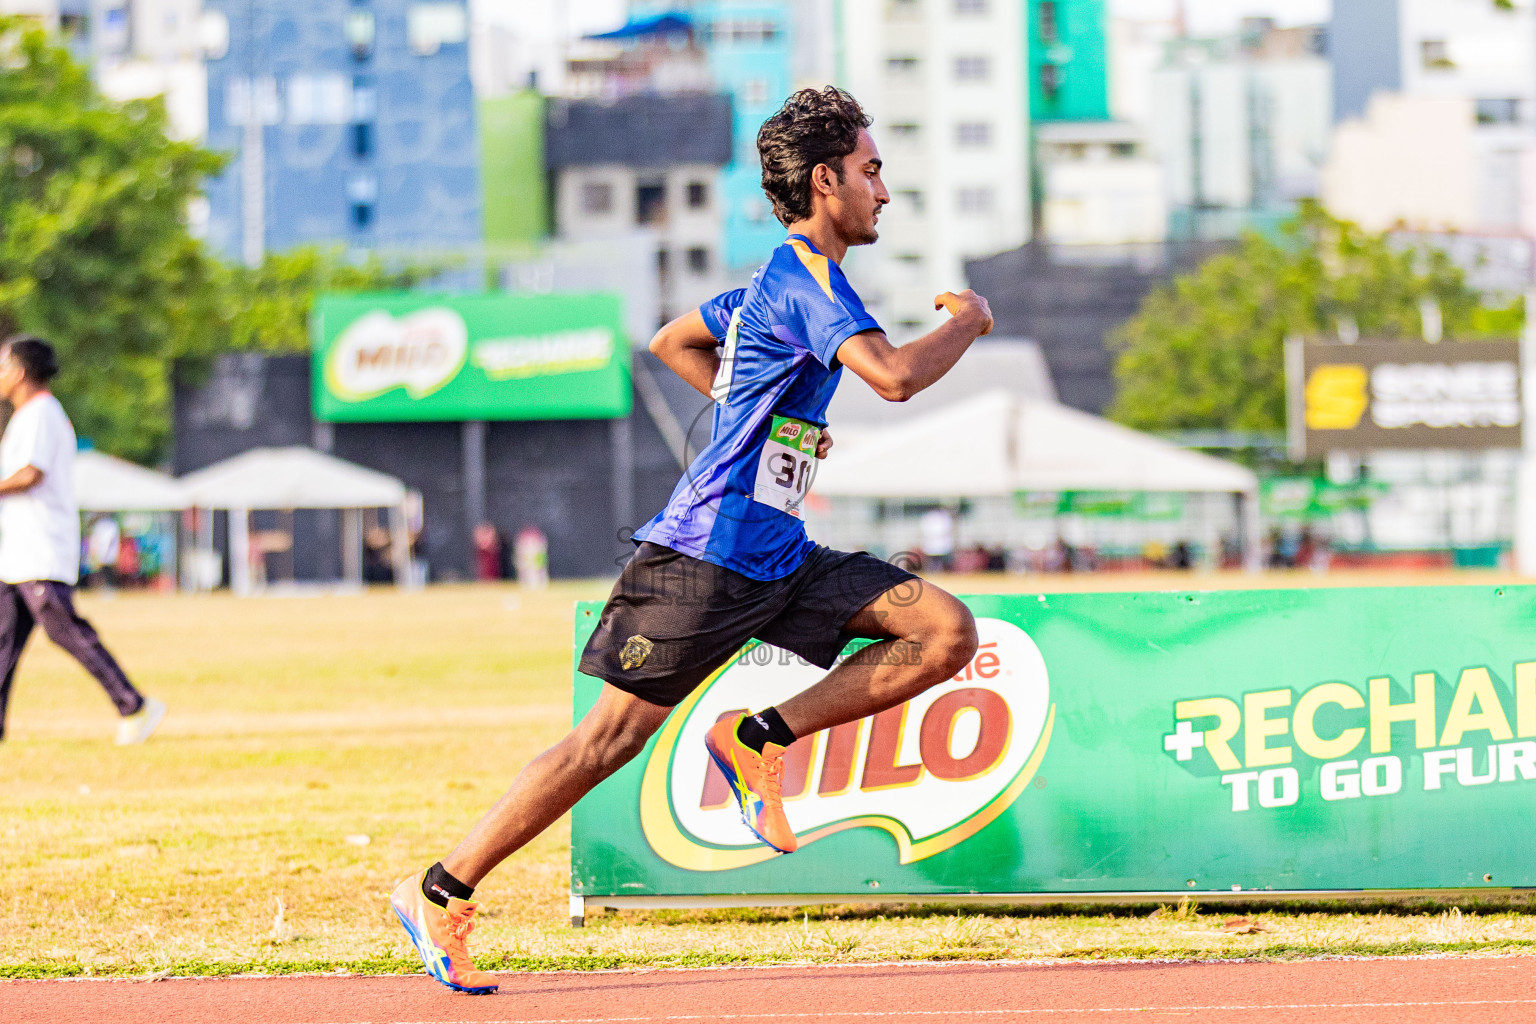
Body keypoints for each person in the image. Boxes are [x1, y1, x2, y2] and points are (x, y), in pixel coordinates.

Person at [389, 86, 993, 994]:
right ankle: (439, 890)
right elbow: (896, 378)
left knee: (944, 632)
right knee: (604, 746)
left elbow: (676, 340)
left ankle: (758, 737)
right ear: (826, 182)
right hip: (703, 560)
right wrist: (969, 321)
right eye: (873, 171)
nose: (885, 190)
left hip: (779, 555)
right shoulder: (808, 280)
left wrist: (762, 416)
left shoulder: (767, 289)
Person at [0, 335, 165, 744]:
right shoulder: (25, 417)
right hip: (16, 551)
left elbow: (30, 474)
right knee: (2, 641)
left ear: (19, 372)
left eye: (3, 366)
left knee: (66, 631)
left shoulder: (41, 414)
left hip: (39, 549)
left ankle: (135, 706)